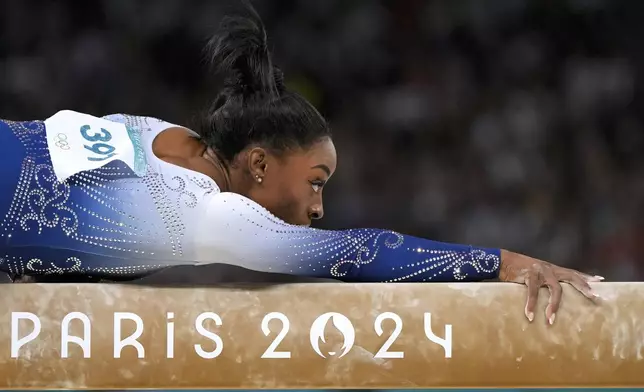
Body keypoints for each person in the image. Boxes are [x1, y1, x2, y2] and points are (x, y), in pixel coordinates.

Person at [0, 2, 600, 324]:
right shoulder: (211, 218)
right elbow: (359, 253)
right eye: (315, 183)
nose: (317, 207)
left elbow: (69, 208)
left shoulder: (163, 136)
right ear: (258, 163)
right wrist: (503, 263)